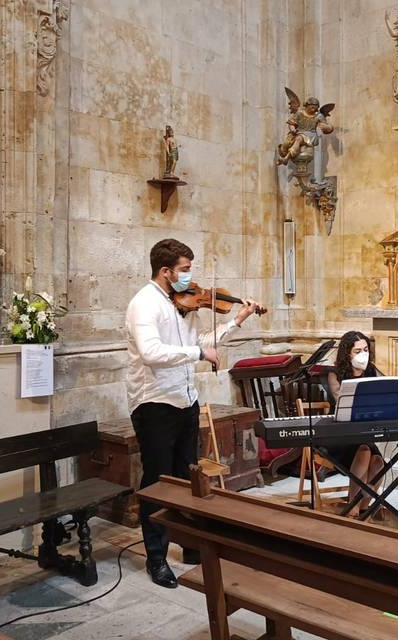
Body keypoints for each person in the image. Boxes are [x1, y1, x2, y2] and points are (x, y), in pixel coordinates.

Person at [126, 239, 260, 588]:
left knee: (187, 478)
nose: (191, 278)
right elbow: (152, 352)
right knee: (157, 482)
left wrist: (238, 320)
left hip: (184, 401)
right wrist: (198, 354)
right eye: (185, 270)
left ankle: (190, 547)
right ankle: (157, 557)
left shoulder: (182, 305)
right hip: (154, 404)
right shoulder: (144, 304)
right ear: (165, 271)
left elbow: (204, 343)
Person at [325, 331, 386, 518]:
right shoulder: (334, 374)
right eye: (358, 351)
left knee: (378, 463)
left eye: (366, 350)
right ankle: (352, 510)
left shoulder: (371, 370)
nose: (363, 354)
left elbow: (389, 386)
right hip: (339, 432)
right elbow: (341, 402)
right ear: (347, 353)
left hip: (363, 431)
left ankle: (362, 507)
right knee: (365, 451)